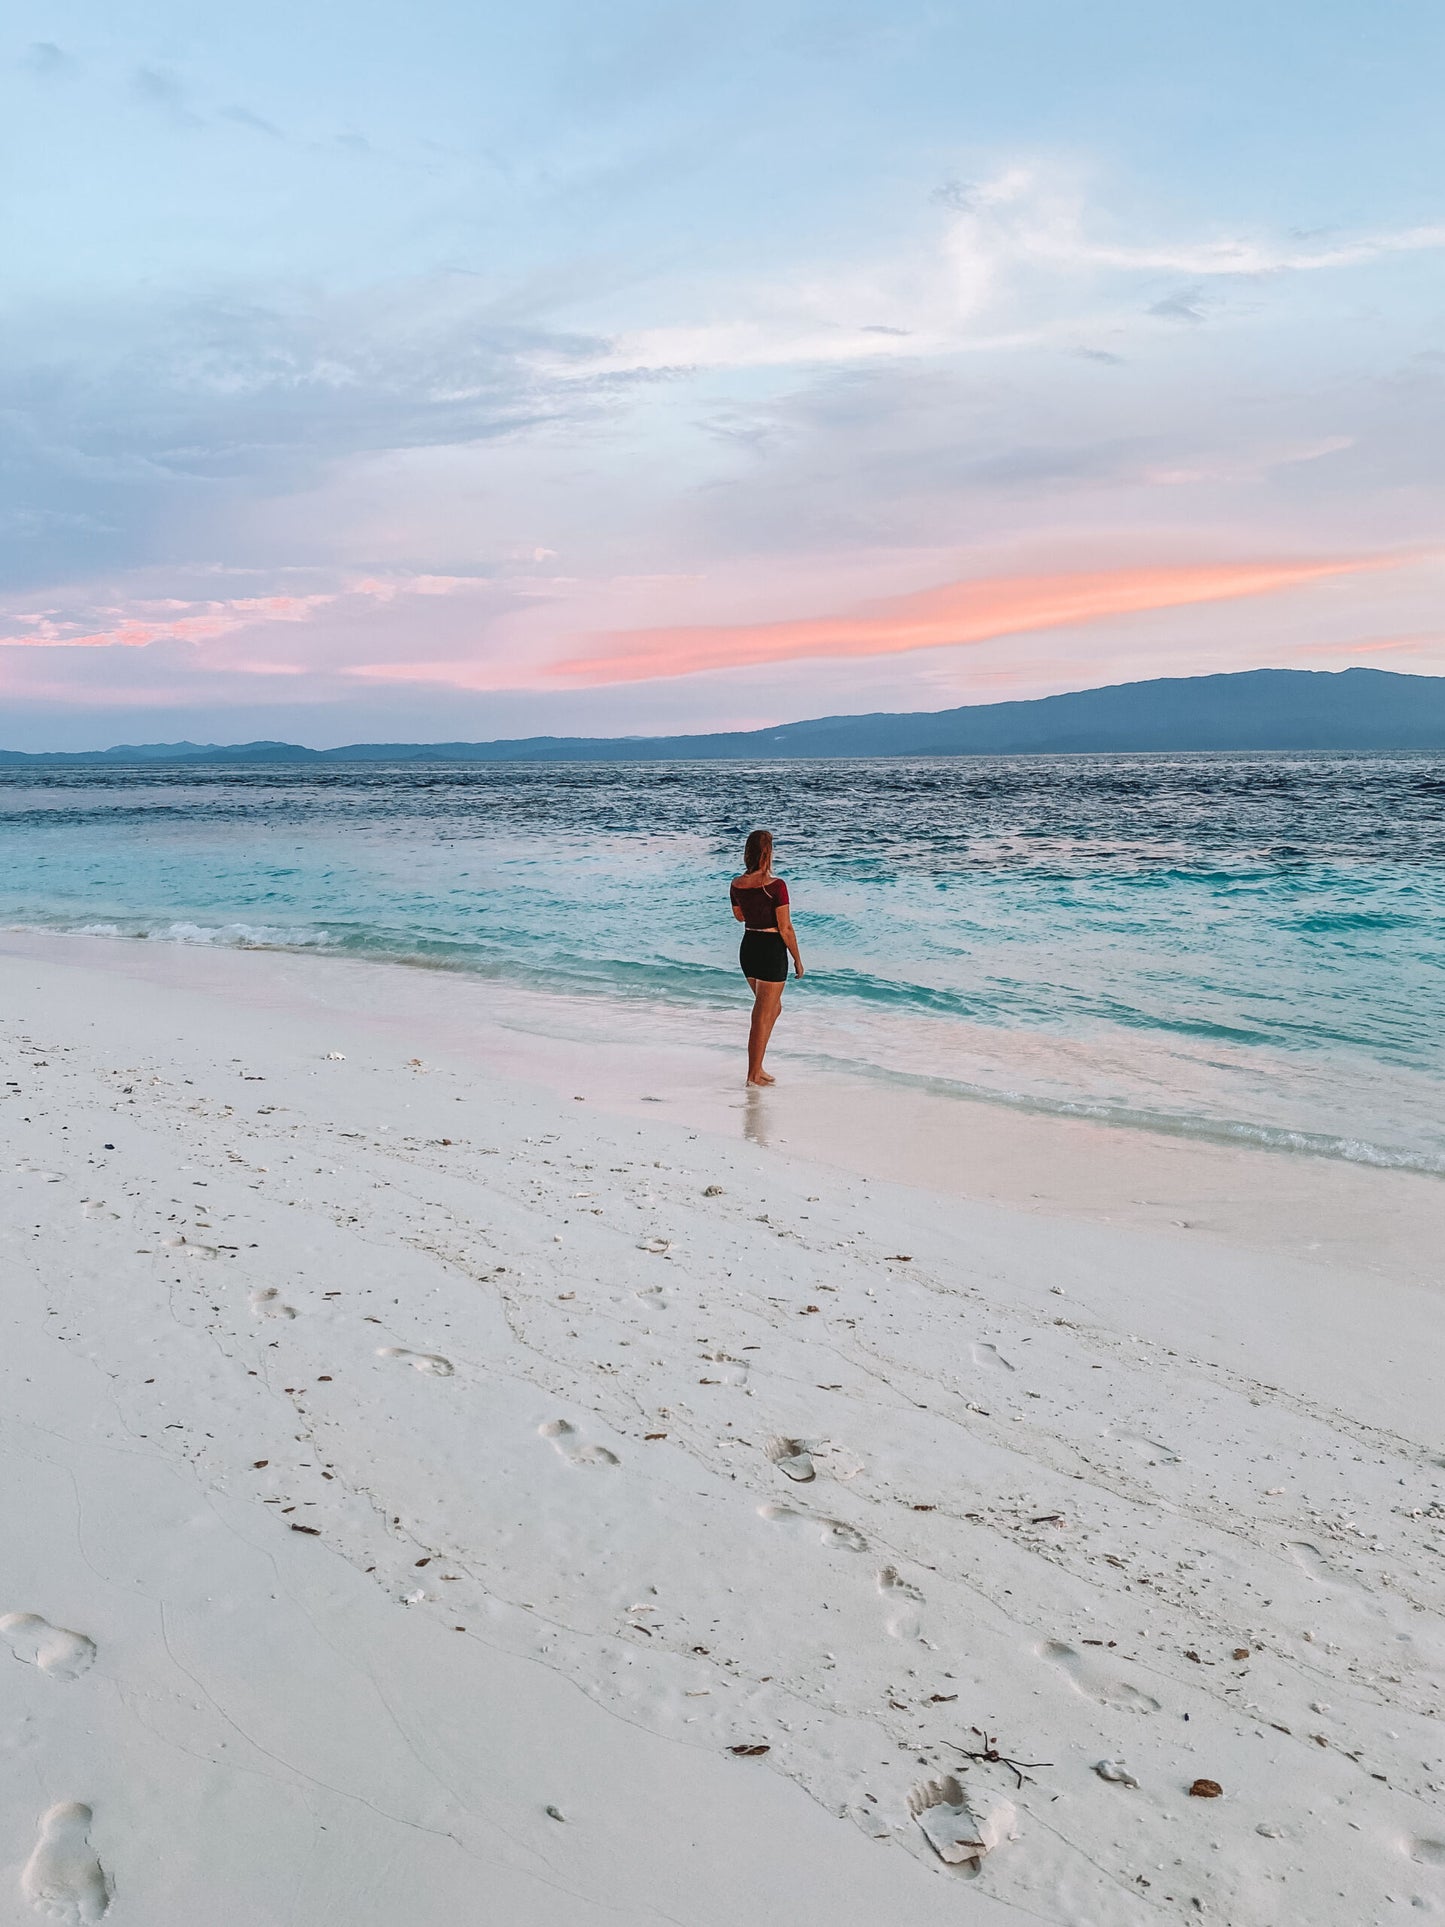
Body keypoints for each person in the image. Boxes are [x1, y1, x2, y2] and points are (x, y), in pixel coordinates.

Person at [730, 828, 803, 1086]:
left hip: (749, 947)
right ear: (766, 854)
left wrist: (755, 910)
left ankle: (758, 1067)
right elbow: (785, 928)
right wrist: (797, 959)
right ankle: (752, 1075)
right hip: (771, 949)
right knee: (762, 1013)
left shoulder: (737, 883)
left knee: (773, 1008)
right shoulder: (777, 886)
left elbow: (740, 916)